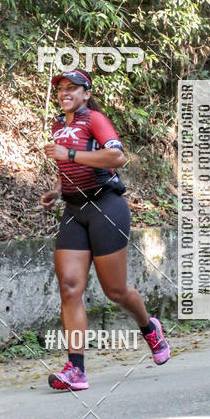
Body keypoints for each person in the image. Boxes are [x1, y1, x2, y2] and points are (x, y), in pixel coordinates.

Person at [40, 68, 170, 391]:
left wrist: (69, 153)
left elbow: (116, 157)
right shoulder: (58, 125)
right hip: (74, 210)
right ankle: (76, 369)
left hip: (106, 207)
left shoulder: (95, 119)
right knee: (70, 287)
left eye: (73, 88)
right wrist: (57, 190)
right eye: (61, 88)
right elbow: (70, 167)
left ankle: (149, 327)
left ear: (86, 94)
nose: (65, 92)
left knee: (115, 291)